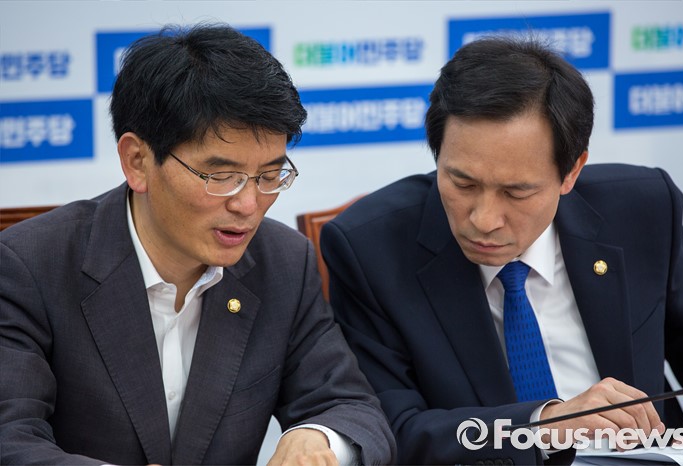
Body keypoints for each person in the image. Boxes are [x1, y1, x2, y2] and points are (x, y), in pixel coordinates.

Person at [0, 23, 395, 465]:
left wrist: (318, 437)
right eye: (221, 176)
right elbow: (10, 439)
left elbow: (351, 406)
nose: (248, 205)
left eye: (270, 175)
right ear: (138, 161)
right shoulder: (30, 265)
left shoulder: (283, 261)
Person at [320, 36, 683, 465]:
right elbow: (392, 433)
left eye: (516, 192)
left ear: (571, 172)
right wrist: (544, 426)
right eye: (462, 183)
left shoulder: (644, 210)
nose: (484, 219)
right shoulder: (370, 249)